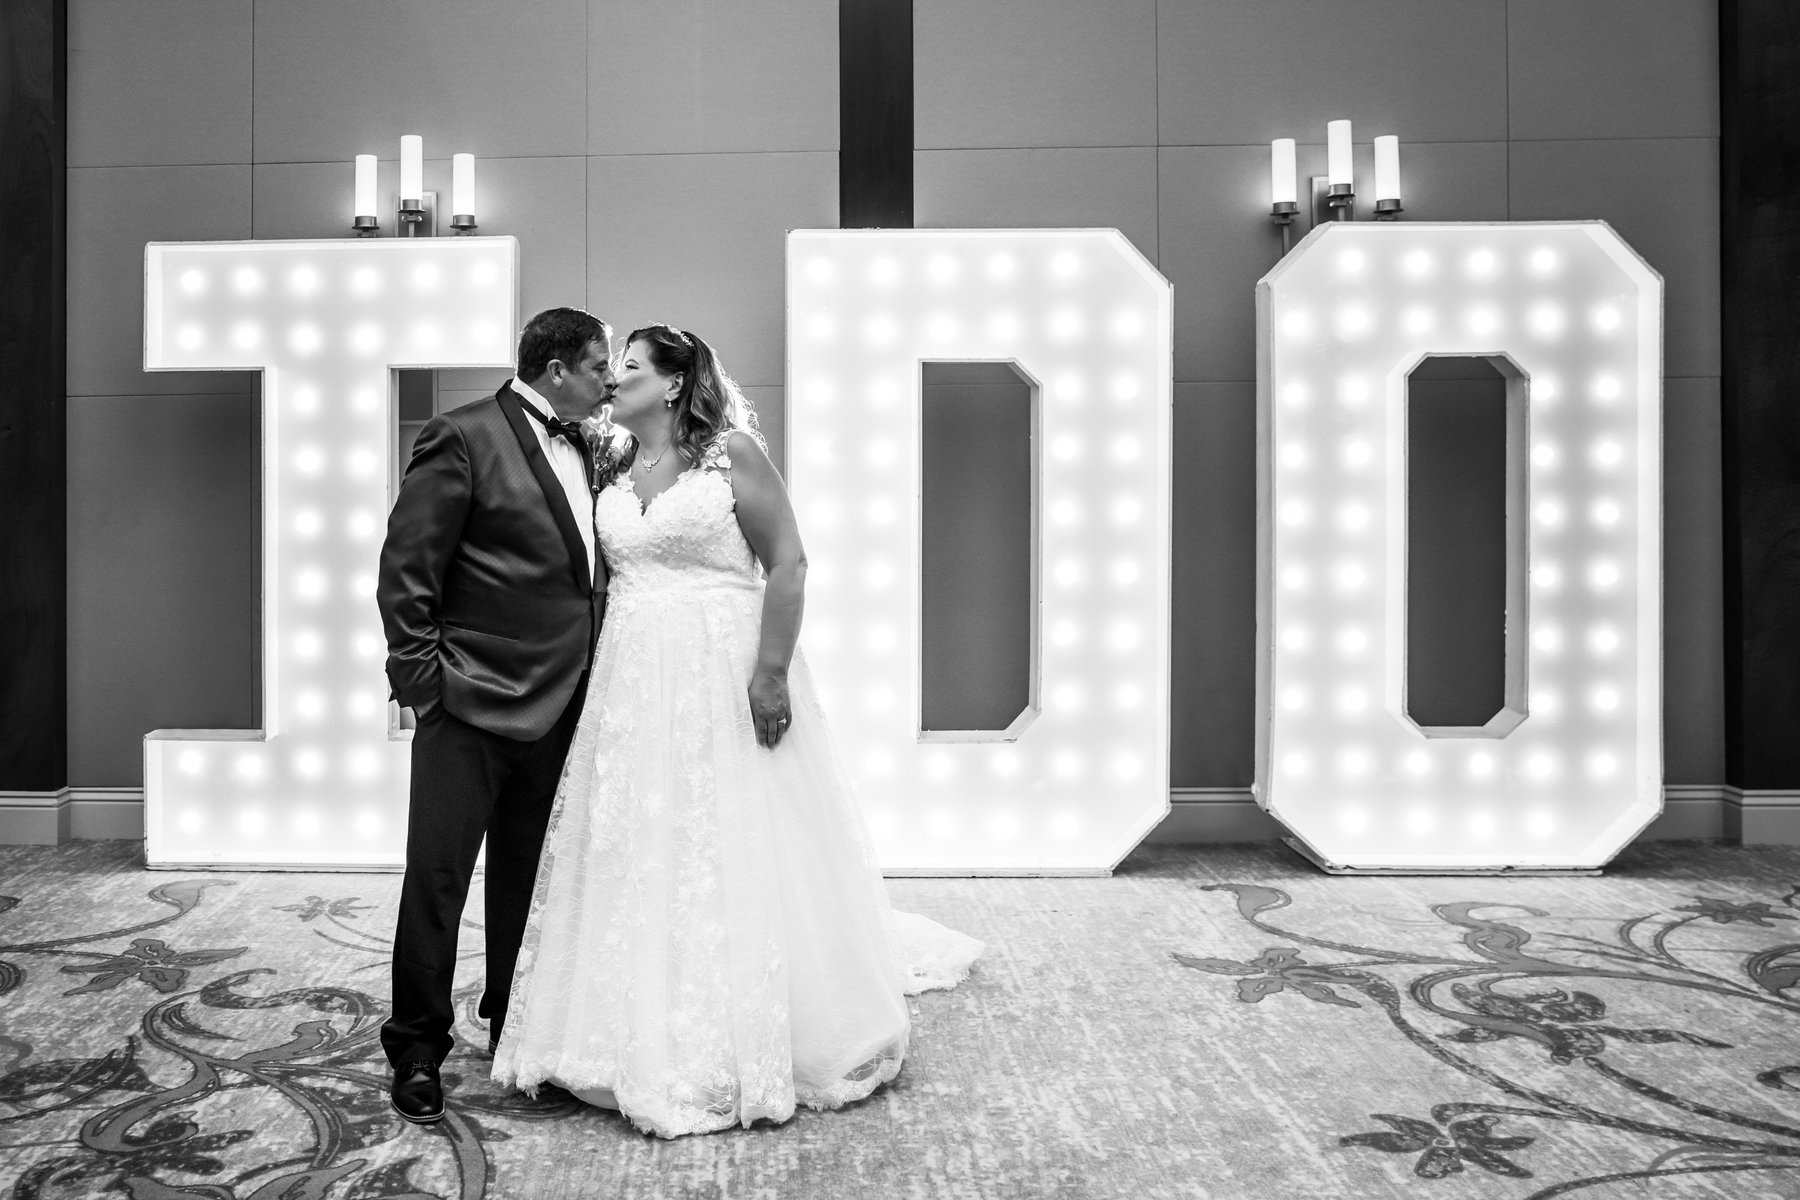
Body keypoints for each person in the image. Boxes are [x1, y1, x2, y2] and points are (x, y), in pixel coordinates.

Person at [491, 324, 982, 1137]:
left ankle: (760, 1018)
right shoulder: (611, 463)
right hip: (633, 676)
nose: (613, 378)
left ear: (674, 383)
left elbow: (788, 561)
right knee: (639, 841)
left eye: (631, 365)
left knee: (732, 834)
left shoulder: (731, 456)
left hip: (719, 665)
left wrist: (770, 671)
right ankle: (622, 1022)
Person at [375, 307, 616, 1124]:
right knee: (438, 878)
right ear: (557, 369)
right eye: (598, 366)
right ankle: (416, 1048)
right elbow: (407, 568)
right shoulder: (462, 435)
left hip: (564, 703)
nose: (608, 381)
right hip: (470, 699)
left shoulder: (592, 447)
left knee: (529, 881)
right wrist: (424, 687)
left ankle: (515, 1025)